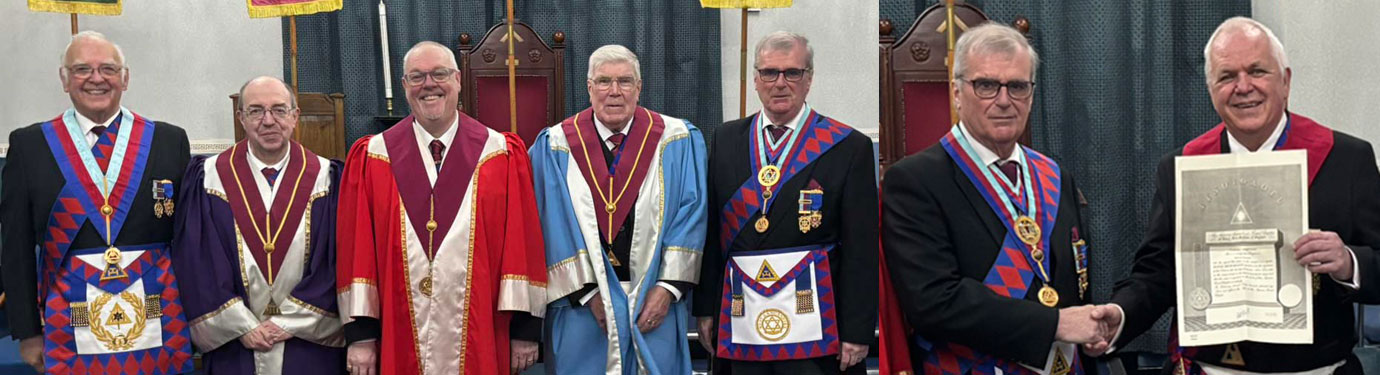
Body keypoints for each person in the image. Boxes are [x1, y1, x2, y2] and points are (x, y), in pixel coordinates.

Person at [1090, 16, 1380, 375]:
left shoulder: (1347, 159)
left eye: (1258, 71)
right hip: (1208, 367)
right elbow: (1157, 274)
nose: (1243, 87)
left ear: (1286, 82)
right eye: (1227, 76)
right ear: (1211, 89)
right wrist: (1119, 315)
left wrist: (1350, 262)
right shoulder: (1181, 167)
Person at [881, 23, 1104, 375]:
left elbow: (1074, 280)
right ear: (956, 92)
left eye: (1017, 86)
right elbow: (933, 302)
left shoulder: (1055, 175)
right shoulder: (914, 181)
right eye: (986, 85)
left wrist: (1091, 327)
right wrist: (1055, 324)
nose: (1004, 100)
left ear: (1031, 93)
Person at [335, 41, 547, 375]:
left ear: (458, 80)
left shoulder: (501, 155)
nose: (429, 84)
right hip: (398, 330)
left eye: (439, 74)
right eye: (417, 77)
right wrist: (360, 336)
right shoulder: (373, 158)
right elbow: (357, 252)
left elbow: (522, 246)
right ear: (404, 86)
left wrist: (525, 330)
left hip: (484, 328)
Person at [1, 30, 194, 374]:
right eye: (81, 69)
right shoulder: (30, 145)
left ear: (125, 78)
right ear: (64, 80)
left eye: (108, 68)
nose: (96, 79)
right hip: (67, 323)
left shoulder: (168, 140)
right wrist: (27, 331)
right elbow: (15, 247)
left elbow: (190, 241)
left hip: (159, 318)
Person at [692, 31, 877, 374]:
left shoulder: (848, 146)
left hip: (819, 323)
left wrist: (857, 329)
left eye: (792, 73)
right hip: (739, 317)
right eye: (769, 73)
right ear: (756, 80)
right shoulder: (726, 138)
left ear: (809, 79)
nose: (780, 83)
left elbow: (861, 249)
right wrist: (705, 309)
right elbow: (712, 232)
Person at [529, 44, 707, 375]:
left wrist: (667, 289)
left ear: (639, 87)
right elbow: (548, 223)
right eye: (603, 81)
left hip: (655, 300)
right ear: (588, 87)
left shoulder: (677, 139)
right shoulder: (555, 146)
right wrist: (587, 294)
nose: (614, 92)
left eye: (625, 81)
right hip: (581, 305)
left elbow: (692, 214)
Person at [172, 76, 345, 374]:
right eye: (255, 110)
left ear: (295, 116)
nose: (268, 121)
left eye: (279, 110)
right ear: (241, 118)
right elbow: (197, 260)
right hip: (236, 345)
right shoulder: (208, 178)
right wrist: (241, 325)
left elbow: (335, 261)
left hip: (307, 345)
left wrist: (289, 322)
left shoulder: (327, 178)